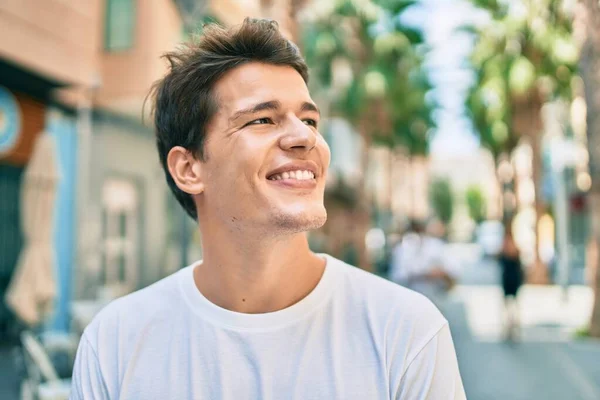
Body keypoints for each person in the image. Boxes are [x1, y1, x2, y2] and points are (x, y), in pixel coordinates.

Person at [70, 19, 465, 399]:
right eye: (262, 119)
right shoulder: (116, 345)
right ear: (189, 169)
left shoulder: (405, 332)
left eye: (309, 119)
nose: (304, 137)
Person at [389, 220, 457, 305]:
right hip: (409, 303)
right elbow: (397, 277)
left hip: (435, 302)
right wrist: (424, 275)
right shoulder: (402, 249)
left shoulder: (436, 246)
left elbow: (453, 276)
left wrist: (441, 274)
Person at [498, 226, 524, 341]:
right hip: (512, 279)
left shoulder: (504, 249)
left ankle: (510, 325)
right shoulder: (515, 249)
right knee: (512, 304)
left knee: (509, 304)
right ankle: (511, 325)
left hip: (509, 279)